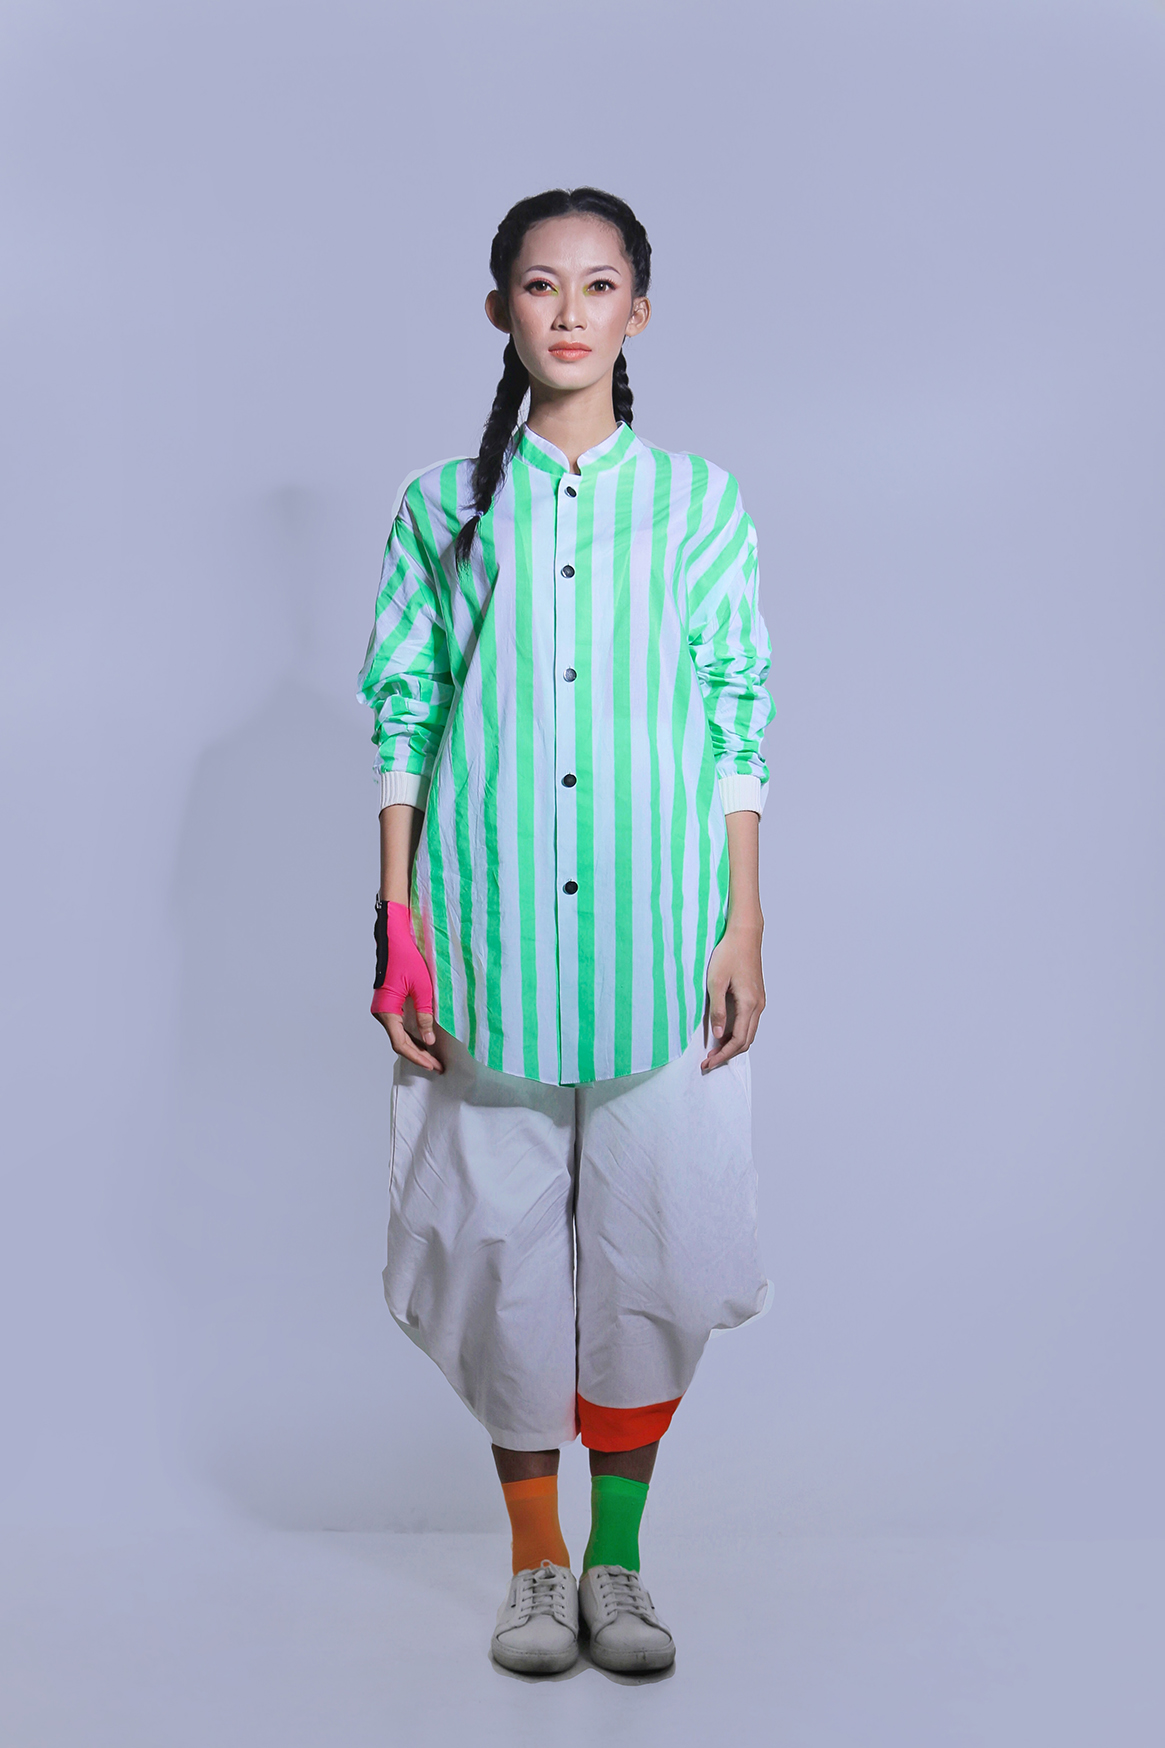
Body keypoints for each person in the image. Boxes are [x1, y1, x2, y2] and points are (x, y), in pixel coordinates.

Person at [357, 187, 774, 1676]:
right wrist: (398, 919)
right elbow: (405, 714)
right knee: (498, 1254)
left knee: (657, 1248)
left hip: (663, 934)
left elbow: (735, 713)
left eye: (600, 286)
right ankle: (535, 1566)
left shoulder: (700, 503)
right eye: (542, 285)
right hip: (486, 940)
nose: (572, 311)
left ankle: (617, 1562)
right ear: (502, 311)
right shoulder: (441, 508)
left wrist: (742, 917)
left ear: (638, 313)